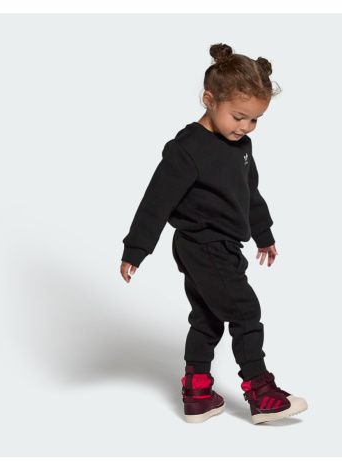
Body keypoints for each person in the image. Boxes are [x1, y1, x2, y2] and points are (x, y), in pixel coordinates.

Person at [120, 43, 308, 425]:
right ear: (209, 100)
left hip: (222, 245)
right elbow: (155, 202)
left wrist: (264, 233)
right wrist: (135, 250)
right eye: (238, 116)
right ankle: (261, 392)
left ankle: (198, 394)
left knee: (207, 318)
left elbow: (249, 192)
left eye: (254, 120)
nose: (245, 127)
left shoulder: (241, 146)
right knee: (246, 313)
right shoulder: (186, 150)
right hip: (203, 245)